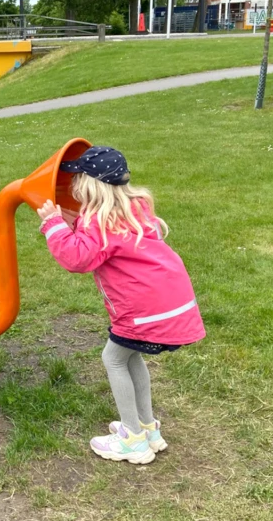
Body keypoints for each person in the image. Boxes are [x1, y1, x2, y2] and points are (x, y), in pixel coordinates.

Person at [35, 145, 205, 465]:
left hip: (143, 311)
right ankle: (147, 429)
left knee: (113, 358)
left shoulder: (99, 222)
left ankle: (132, 440)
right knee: (130, 357)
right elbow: (97, 245)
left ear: (89, 185)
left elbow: (77, 258)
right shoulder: (133, 209)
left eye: (78, 179)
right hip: (172, 302)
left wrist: (54, 225)